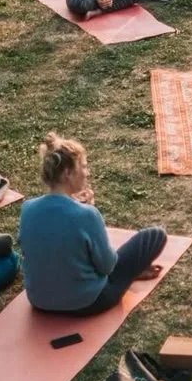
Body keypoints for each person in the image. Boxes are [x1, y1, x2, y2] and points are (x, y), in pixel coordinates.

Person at [18, 133, 167, 315]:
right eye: (83, 167)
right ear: (67, 173)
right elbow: (107, 266)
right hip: (89, 303)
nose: (87, 173)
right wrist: (91, 215)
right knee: (155, 235)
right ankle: (134, 272)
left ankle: (131, 272)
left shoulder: (28, 208)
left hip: (39, 301)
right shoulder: (87, 214)